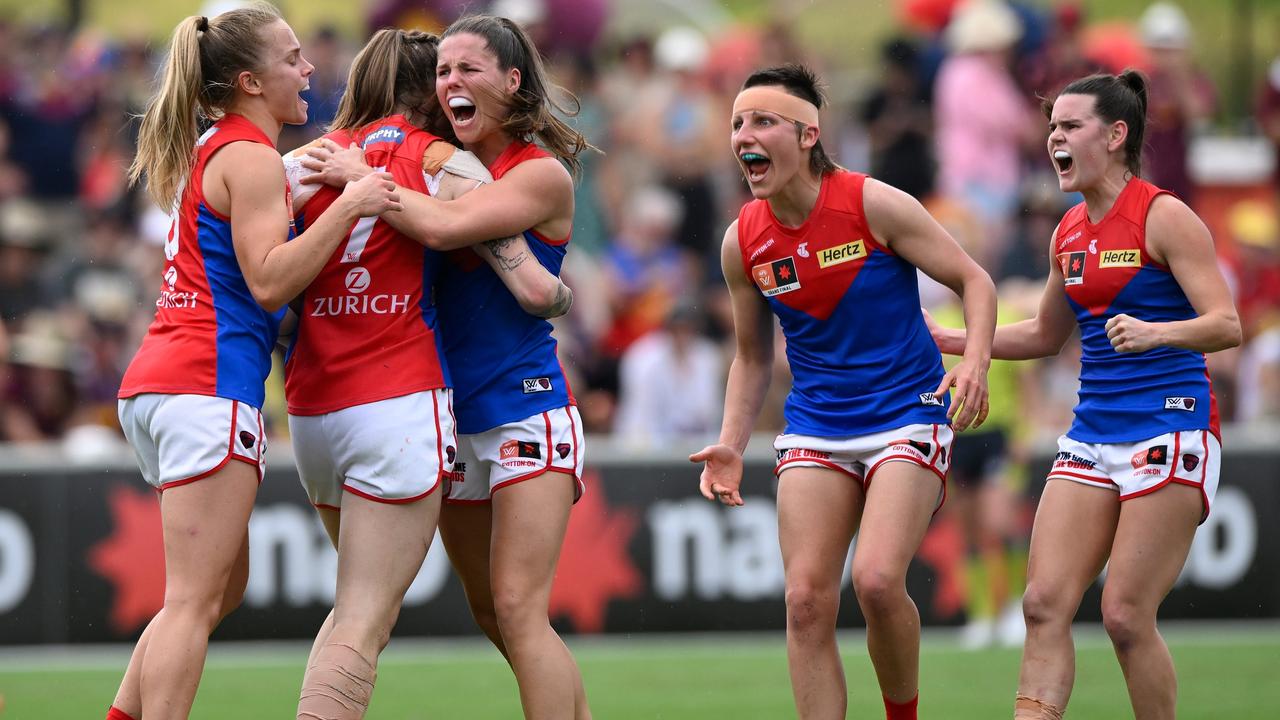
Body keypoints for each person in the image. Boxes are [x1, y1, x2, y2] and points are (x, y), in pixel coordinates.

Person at [107, 5, 400, 720]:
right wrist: (353, 203)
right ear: (248, 81)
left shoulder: (217, 146)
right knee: (193, 601)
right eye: (292, 58)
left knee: (218, 590)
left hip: (162, 382)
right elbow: (270, 280)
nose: (308, 70)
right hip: (207, 382)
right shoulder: (250, 155)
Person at [302, 14, 590, 720]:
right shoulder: (436, 167)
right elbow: (532, 288)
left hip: (525, 408)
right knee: (492, 612)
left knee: (521, 610)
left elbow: (447, 227)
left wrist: (360, 174)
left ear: (512, 81)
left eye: (469, 69)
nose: (451, 82)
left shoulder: (538, 172)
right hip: (448, 420)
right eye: (443, 71)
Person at [928, 71, 1241, 720]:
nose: (1055, 139)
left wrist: (1158, 331)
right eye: (1051, 128)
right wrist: (952, 339)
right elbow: (1045, 333)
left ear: (1117, 134)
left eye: (1070, 126)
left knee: (1125, 615)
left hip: (1170, 428)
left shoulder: (1165, 216)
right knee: (1042, 604)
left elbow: (1226, 324)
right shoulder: (1067, 232)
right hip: (1093, 433)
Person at [690, 63, 996, 720]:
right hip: (816, 425)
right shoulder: (741, 241)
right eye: (738, 122)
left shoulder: (872, 203)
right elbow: (750, 358)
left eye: (764, 120)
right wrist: (728, 444)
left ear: (807, 135)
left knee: (879, 581)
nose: (745, 134)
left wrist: (973, 362)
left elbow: (976, 282)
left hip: (908, 413)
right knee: (804, 602)